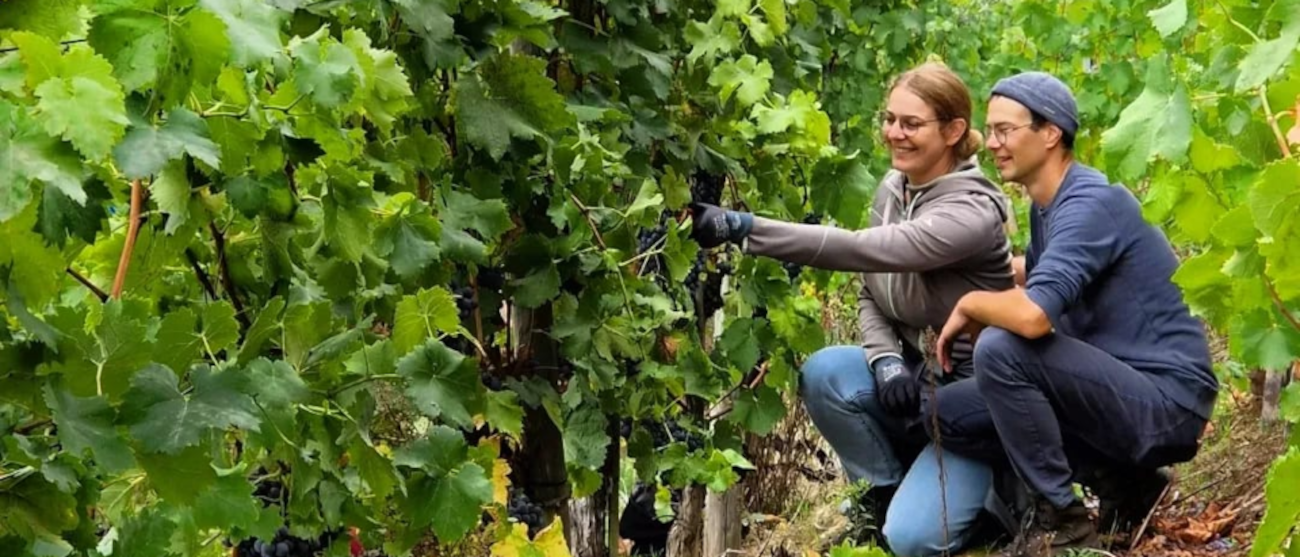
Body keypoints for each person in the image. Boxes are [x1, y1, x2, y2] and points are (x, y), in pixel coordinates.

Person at [689, 62, 1017, 557]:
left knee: (913, 542)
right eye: (889, 119)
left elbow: (864, 252)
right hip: (917, 379)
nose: (894, 134)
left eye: (911, 124)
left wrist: (743, 227)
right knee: (827, 372)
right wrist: (885, 361)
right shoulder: (895, 187)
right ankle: (881, 497)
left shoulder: (970, 212)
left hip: (974, 402)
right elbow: (872, 289)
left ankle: (996, 499)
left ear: (953, 131)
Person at [933, 71, 1219, 557]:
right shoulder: (1050, 207)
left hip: (1167, 403)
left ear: (1050, 134)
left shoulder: (1091, 202)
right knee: (947, 413)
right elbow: (1039, 274)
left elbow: (1033, 318)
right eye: (991, 131)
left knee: (1003, 348)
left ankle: (1066, 526)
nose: (993, 144)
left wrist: (970, 302)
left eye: (1006, 130)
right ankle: (1127, 483)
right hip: (1122, 392)